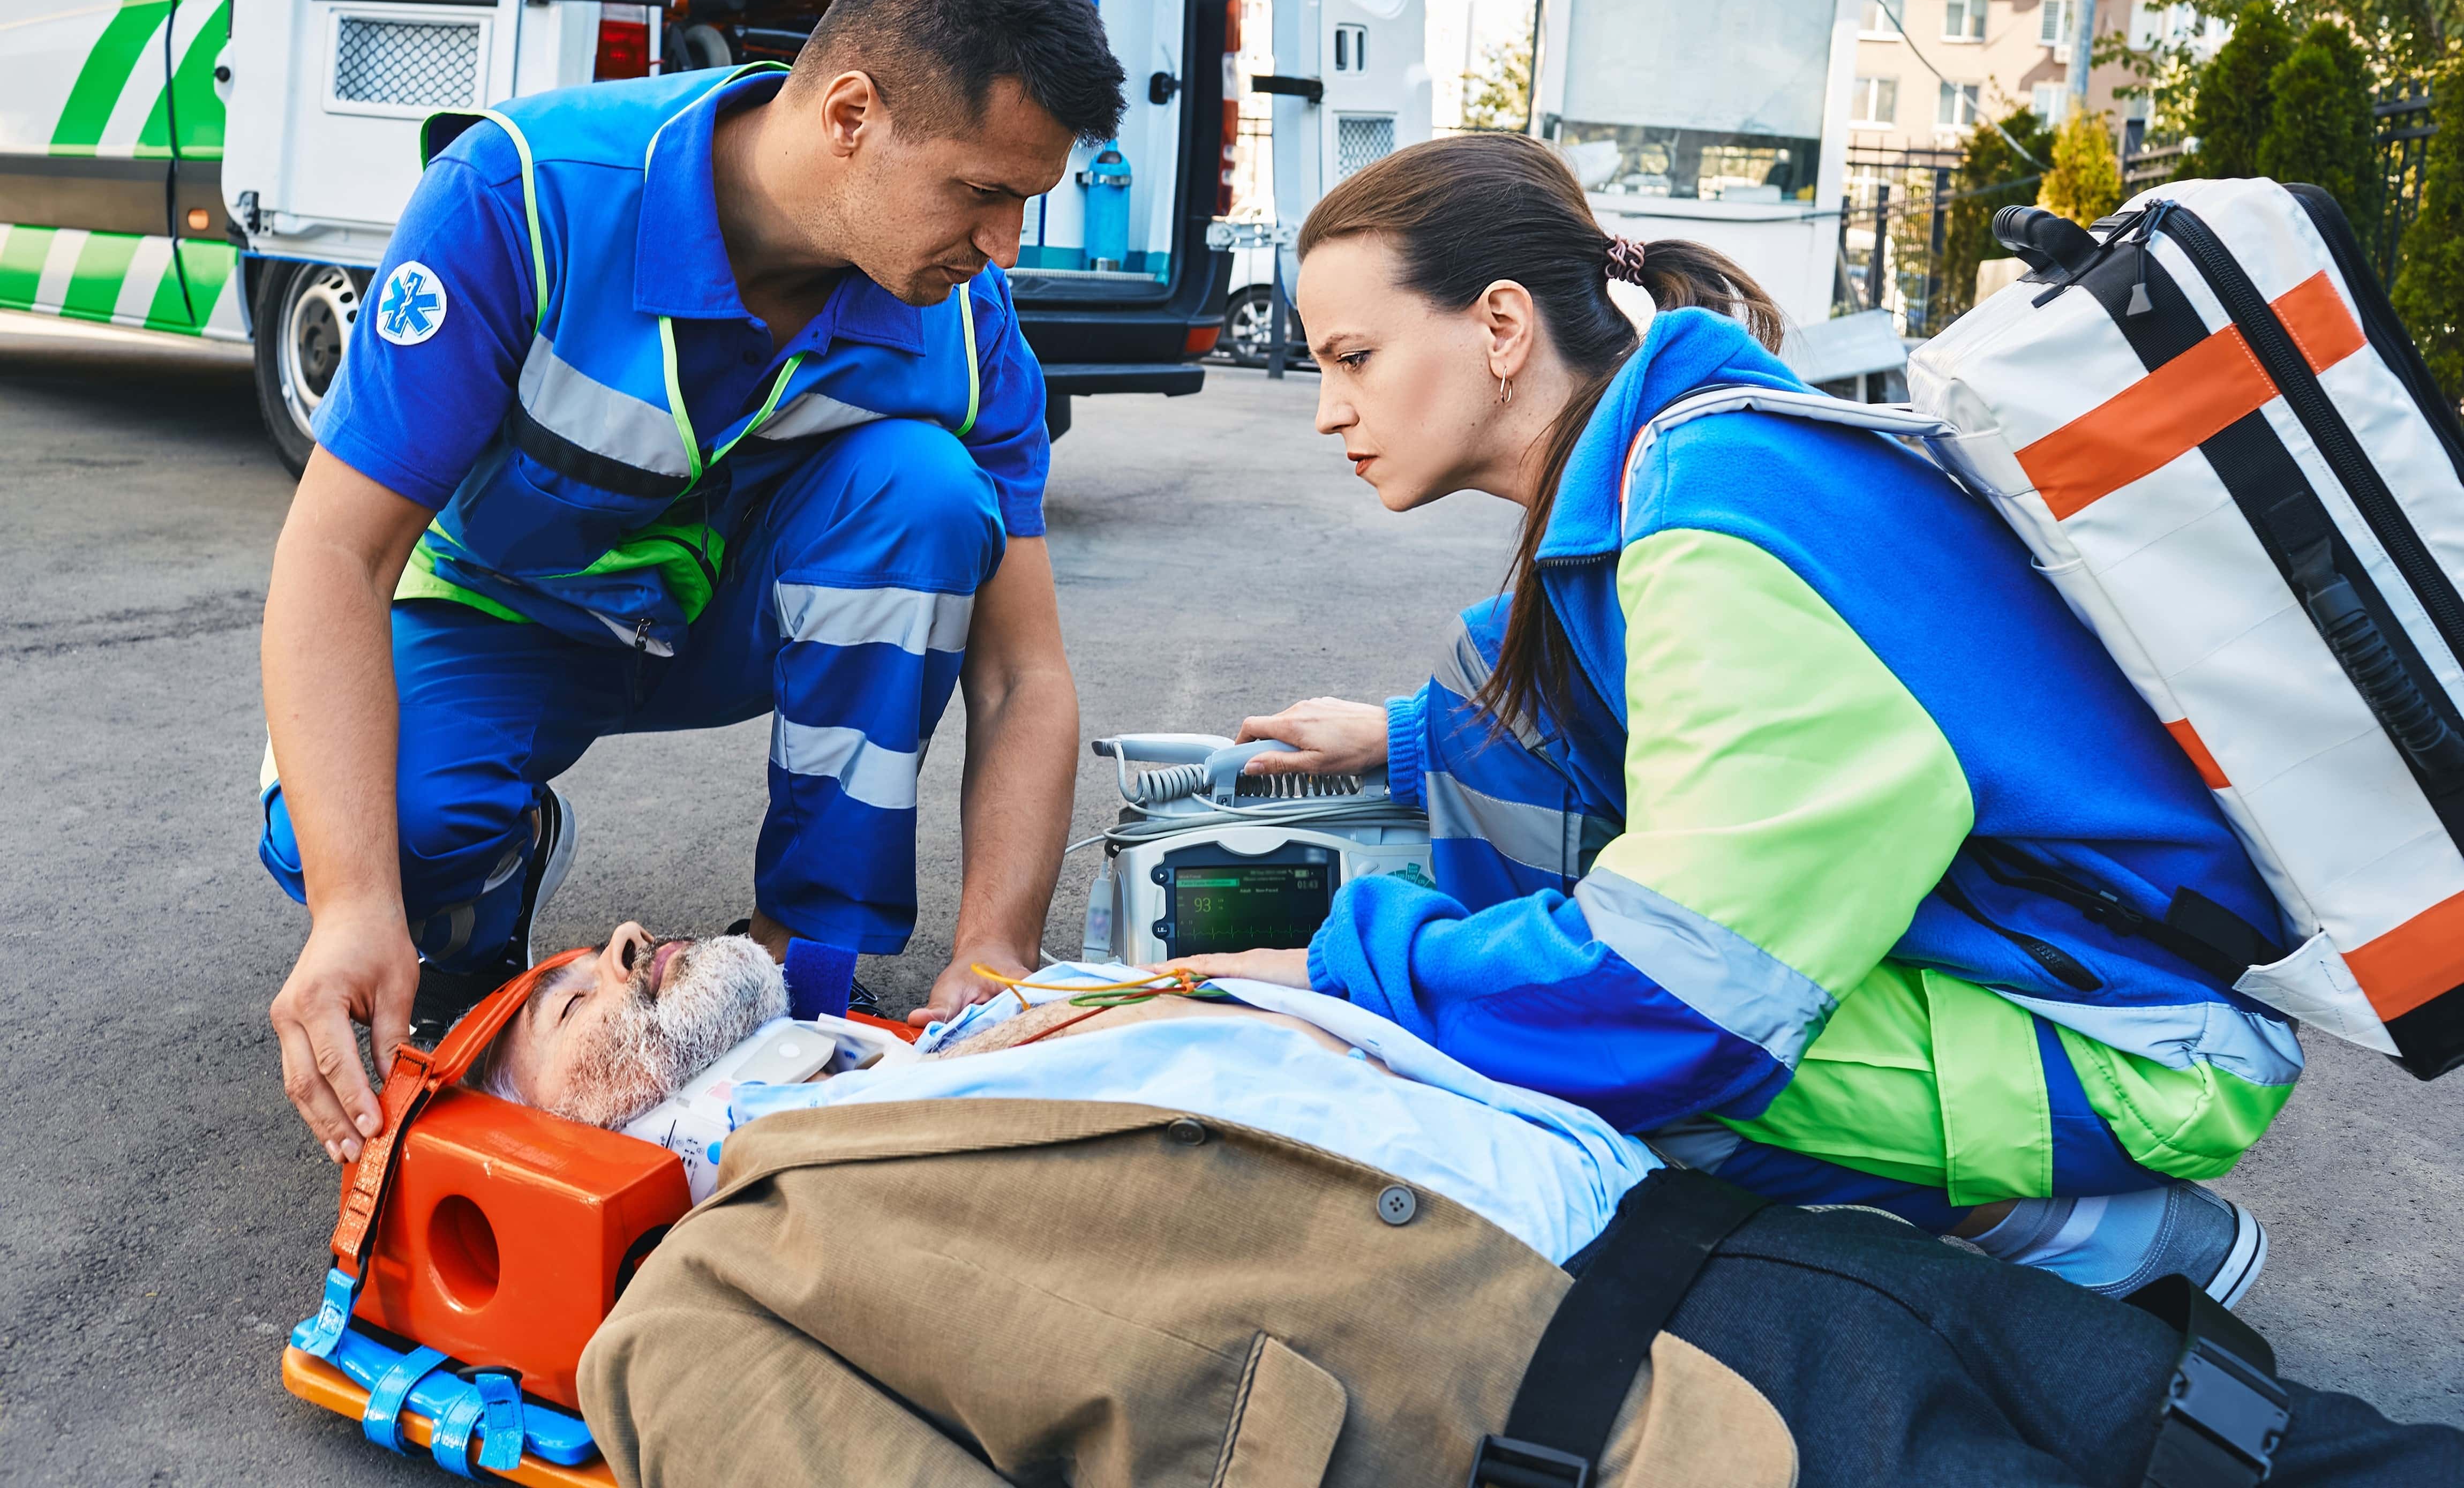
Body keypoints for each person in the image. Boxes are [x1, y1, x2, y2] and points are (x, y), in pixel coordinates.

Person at [1192, 131, 2303, 1307]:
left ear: (1501, 326)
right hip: (2034, 949)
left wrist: (1348, 983)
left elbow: (1675, 995)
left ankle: (2100, 1240)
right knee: (1489, 687)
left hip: (2131, 1043)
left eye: (1354, 358)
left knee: (1593, 1054)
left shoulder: (1710, 525)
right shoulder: (1688, 450)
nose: (1329, 412)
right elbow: (1663, 709)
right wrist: (1412, 738)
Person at [456, 927, 2459, 1486]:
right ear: (527, 1148)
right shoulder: (704, 1294)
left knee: (2308, 1446)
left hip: (1764, 1253)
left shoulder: (987, 1023)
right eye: (562, 995)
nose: (622, 939)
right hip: (1626, 1426)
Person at [257, 0, 1121, 1170]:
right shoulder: (524, 202)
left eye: (1025, 205)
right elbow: (334, 554)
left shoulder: (967, 323)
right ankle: (479, 889)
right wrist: (351, 911)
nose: (1003, 250)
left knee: (926, 491)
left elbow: (1021, 671)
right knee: (389, 840)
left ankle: (793, 962)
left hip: (730, 629)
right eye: (983, 194)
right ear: (849, 116)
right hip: (505, 609)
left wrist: (995, 947)